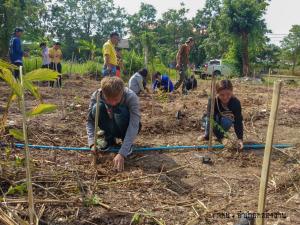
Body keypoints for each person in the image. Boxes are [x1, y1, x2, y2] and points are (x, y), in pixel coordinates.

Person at [86, 77, 141, 172]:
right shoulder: (97, 95)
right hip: (110, 125)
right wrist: (91, 143)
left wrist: (122, 152)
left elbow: (134, 125)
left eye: (116, 99)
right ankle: (109, 140)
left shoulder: (131, 97)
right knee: (96, 108)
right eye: (109, 100)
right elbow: (90, 121)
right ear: (103, 93)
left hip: (125, 126)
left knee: (121, 109)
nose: (112, 103)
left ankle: (127, 144)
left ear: (122, 92)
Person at [201, 79, 244, 150]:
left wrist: (240, 139)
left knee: (228, 121)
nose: (225, 97)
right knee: (208, 120)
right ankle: (208, 135)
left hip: (224, 121)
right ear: (217, 93)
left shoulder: (235, 103)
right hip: (211, 120)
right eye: (221, 95)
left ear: (232, 92)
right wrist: (221, 137)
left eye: (228, 94)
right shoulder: (213, 101)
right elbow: (212, 120)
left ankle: (219, 136)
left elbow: (238, 121)